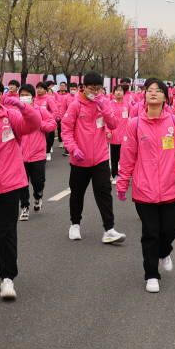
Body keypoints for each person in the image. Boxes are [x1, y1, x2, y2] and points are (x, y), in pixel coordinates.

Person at [117, 78, 175, 292]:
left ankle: (164, 252)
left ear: (166, 96)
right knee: (150, 233)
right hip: (143, 189)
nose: (153, 93)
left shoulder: (174, 123)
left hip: (168, 188)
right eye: (149, 90)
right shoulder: (135, 124)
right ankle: (151, 275)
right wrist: (122, 182)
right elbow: (127, 157)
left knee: (170, 230)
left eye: (158, 90)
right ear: (144, 95)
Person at [0, 76, 40, 300]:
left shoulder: (10, 116)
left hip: (10, 183)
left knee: (7, 231)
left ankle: (8, 278)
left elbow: (34, 124)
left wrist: (23, 106)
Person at [61, 72, 126, 244]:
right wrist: (73, 148)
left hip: (100, 158)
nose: (95, 92)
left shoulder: (103, 103)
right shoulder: (75, 105)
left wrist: (104, 107)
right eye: (91, 88)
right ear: (83, 87)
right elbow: (66, 130)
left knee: (104, 193)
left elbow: (114, 124)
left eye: (98, 89)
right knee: (77, 193)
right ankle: (75, 224)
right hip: (79, 159)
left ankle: (109, 229)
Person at [19, 83, 56, 218]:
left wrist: (39, 123)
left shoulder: (40, 111)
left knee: (38, 181)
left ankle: (38, 195)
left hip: (38, 154)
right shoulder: (15, 112)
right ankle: (24, 206)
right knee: (22, 183)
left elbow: (52, 124)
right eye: (22, 95)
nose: (24, 98)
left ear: (33, 97)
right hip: (20, 155)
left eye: (27, 95)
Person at [106, 84, 132, 179]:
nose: (118, 92)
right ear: (113, 93)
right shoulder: (109, 104)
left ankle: (123, 174)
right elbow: (107, 119)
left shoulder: (127, 104)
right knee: (114, 158)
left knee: (124, 157)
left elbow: (130, 118)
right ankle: (114, 175)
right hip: (113, 135)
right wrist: (108, 131)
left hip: (125, 136)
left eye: (120, 90)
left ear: (123, 93)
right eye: (116, 90)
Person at [35, 81, 56, 161]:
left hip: (46, 123)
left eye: (41, 88)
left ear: (45, 90)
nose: (38, 90)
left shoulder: (48, 99)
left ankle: (47, 152)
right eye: (37, 88)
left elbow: (55, 111)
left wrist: (49, 120)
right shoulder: (34, 99)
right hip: (36, 123)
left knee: (48, 138)